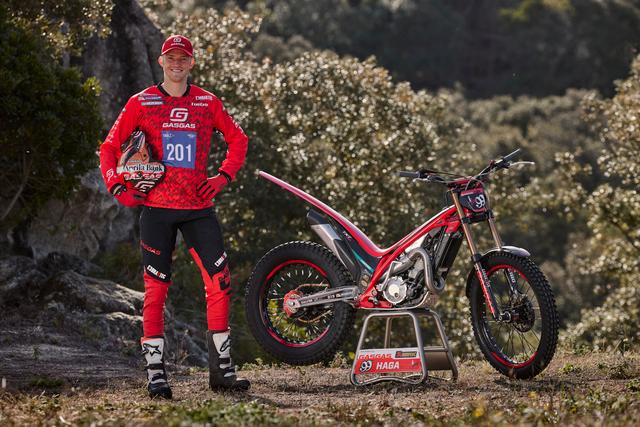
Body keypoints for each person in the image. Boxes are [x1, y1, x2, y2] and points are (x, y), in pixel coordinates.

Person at [99, 34, 250, 399]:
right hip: (157, 212)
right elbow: (109, 148)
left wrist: (223, 177)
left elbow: (239, 140)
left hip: (198, 211)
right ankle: (156, 375)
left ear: (192, 63)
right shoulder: (141, 102)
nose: (177, 63)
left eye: (184, 58)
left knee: (220, 283)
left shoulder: (207, 102)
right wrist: (117, 187)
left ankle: (222, 373)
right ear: (161, 62)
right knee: (155, 291)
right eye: (171, 58)